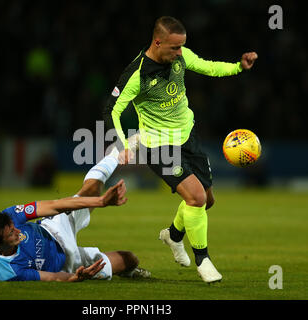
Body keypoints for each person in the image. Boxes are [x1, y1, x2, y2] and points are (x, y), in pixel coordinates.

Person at [103, 16, 258, 283]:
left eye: (182, 47)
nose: (179, 53)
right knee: (196, 198)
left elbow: (208, 67)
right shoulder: (137, 74)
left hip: (187, 136)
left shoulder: (181, 56)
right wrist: (124, 144)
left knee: (206, 201)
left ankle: (173, 235)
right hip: (159, 146)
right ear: (157, 42)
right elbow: (112, 110)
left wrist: (238, 67)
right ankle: (204, 261)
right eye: (174, 48)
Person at [0, 138, 150, 282]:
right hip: (67, 263)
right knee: (129, 260)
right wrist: (76, 277)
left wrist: (100, 201)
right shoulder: (7, 271)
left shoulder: (10, 215)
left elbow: (55, 206)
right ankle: (131, 272)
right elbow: (53, 277)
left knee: (90, 189)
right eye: (11, 233)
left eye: (13, 227)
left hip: (54, 229)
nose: (16, 231)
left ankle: (116, 153)